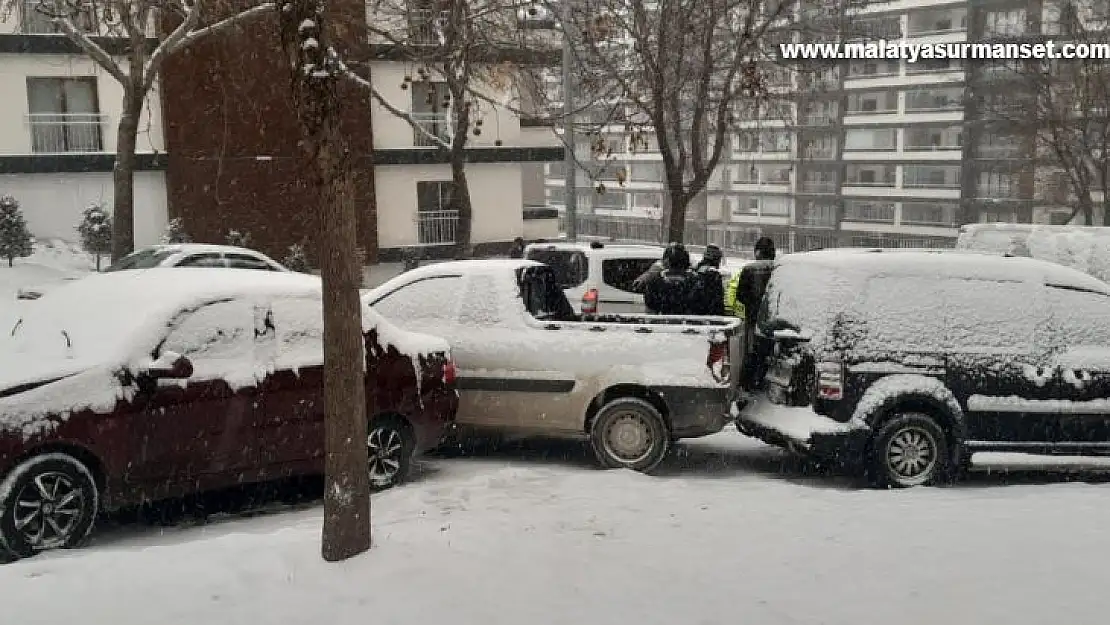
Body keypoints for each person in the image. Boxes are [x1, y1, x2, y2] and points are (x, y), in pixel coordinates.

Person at [726, 237, 777, 389]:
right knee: (771, 351)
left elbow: (741, 295)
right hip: (775, 319)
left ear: (758, 252)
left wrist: (752, 304)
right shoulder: (778, 268)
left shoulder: (749, 269)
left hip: (754, 318)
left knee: (752, 351)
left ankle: (750, 383)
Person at [643, 243, 699, 315]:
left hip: (663, 324)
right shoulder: (696, 281)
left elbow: (650, 313)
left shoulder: (655, 281)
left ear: (666, 262)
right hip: (689, 324)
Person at [691, 244, 725, 316]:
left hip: (694, 313)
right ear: (716, 259)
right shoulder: (714, 274)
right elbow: (718, 302)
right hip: (708, 316)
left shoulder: (695, 270)